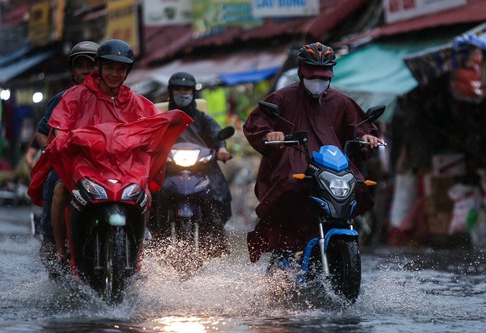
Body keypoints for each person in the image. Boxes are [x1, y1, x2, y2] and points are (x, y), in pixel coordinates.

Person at [243, 41, 382, 263]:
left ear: (331, 75)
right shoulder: (282, 98)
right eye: (313, 76)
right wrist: (271, 135)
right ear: (301, 72)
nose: (318, 82)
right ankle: (285, 249)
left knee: (358, 186)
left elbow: (360, 126)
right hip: (295, 164)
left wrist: (367, 137)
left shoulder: (341, 101)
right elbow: (257, 124)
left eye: (323, 77)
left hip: (334, 167)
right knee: (290, 186)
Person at [30, 39, 167, 263]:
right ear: (101, 68)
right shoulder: (74, 96)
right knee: (59, 191)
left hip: (122, 168)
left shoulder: (134, 100)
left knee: (147, 194)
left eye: (120, 69)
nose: (115, 73)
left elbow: (155, 124)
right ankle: (57, 248)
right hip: (84, 166)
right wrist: (61, 143)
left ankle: (139, 250)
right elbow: (56, 126)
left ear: (127, 72)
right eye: (110, 68)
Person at [150, 71, 232, 253]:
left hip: (201, 168)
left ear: (193, 92)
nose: (182, 93)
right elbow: (149, 137)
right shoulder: (161, 118)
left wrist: (222, 149)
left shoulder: (203, 118)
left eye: (186, 89)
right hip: (167, 168)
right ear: (171, 92)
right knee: (150, 194)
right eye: (178, 89)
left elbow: (216, 134)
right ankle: (151, 235)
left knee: (218, 194)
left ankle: (217, 236)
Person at [35, 41, 99, 261]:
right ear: (73, 71)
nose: (86, 71)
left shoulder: (115, 97)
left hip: (107, 163)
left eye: (91, 65)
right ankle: (52, 240)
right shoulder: (62, 99)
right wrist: (52, 150)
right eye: (79, 66)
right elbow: (42, 132)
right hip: (70, 163)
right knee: (55, 184)